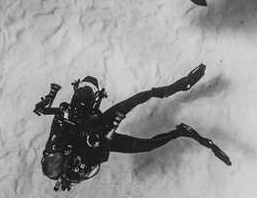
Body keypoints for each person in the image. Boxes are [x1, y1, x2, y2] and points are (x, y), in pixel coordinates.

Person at [33, 64, 230, 191]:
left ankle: (181, 85)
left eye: (53, 153)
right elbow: (100, 153)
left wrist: (61, 111)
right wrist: (111, 129)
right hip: (101, 140)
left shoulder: (54, 147)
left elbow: (57, 125)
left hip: (90, 123)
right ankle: (181, 131)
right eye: (59, 155)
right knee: (146, 146)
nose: (58, 151)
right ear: (66, 163)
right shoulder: (77, 169)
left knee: (137, 98)